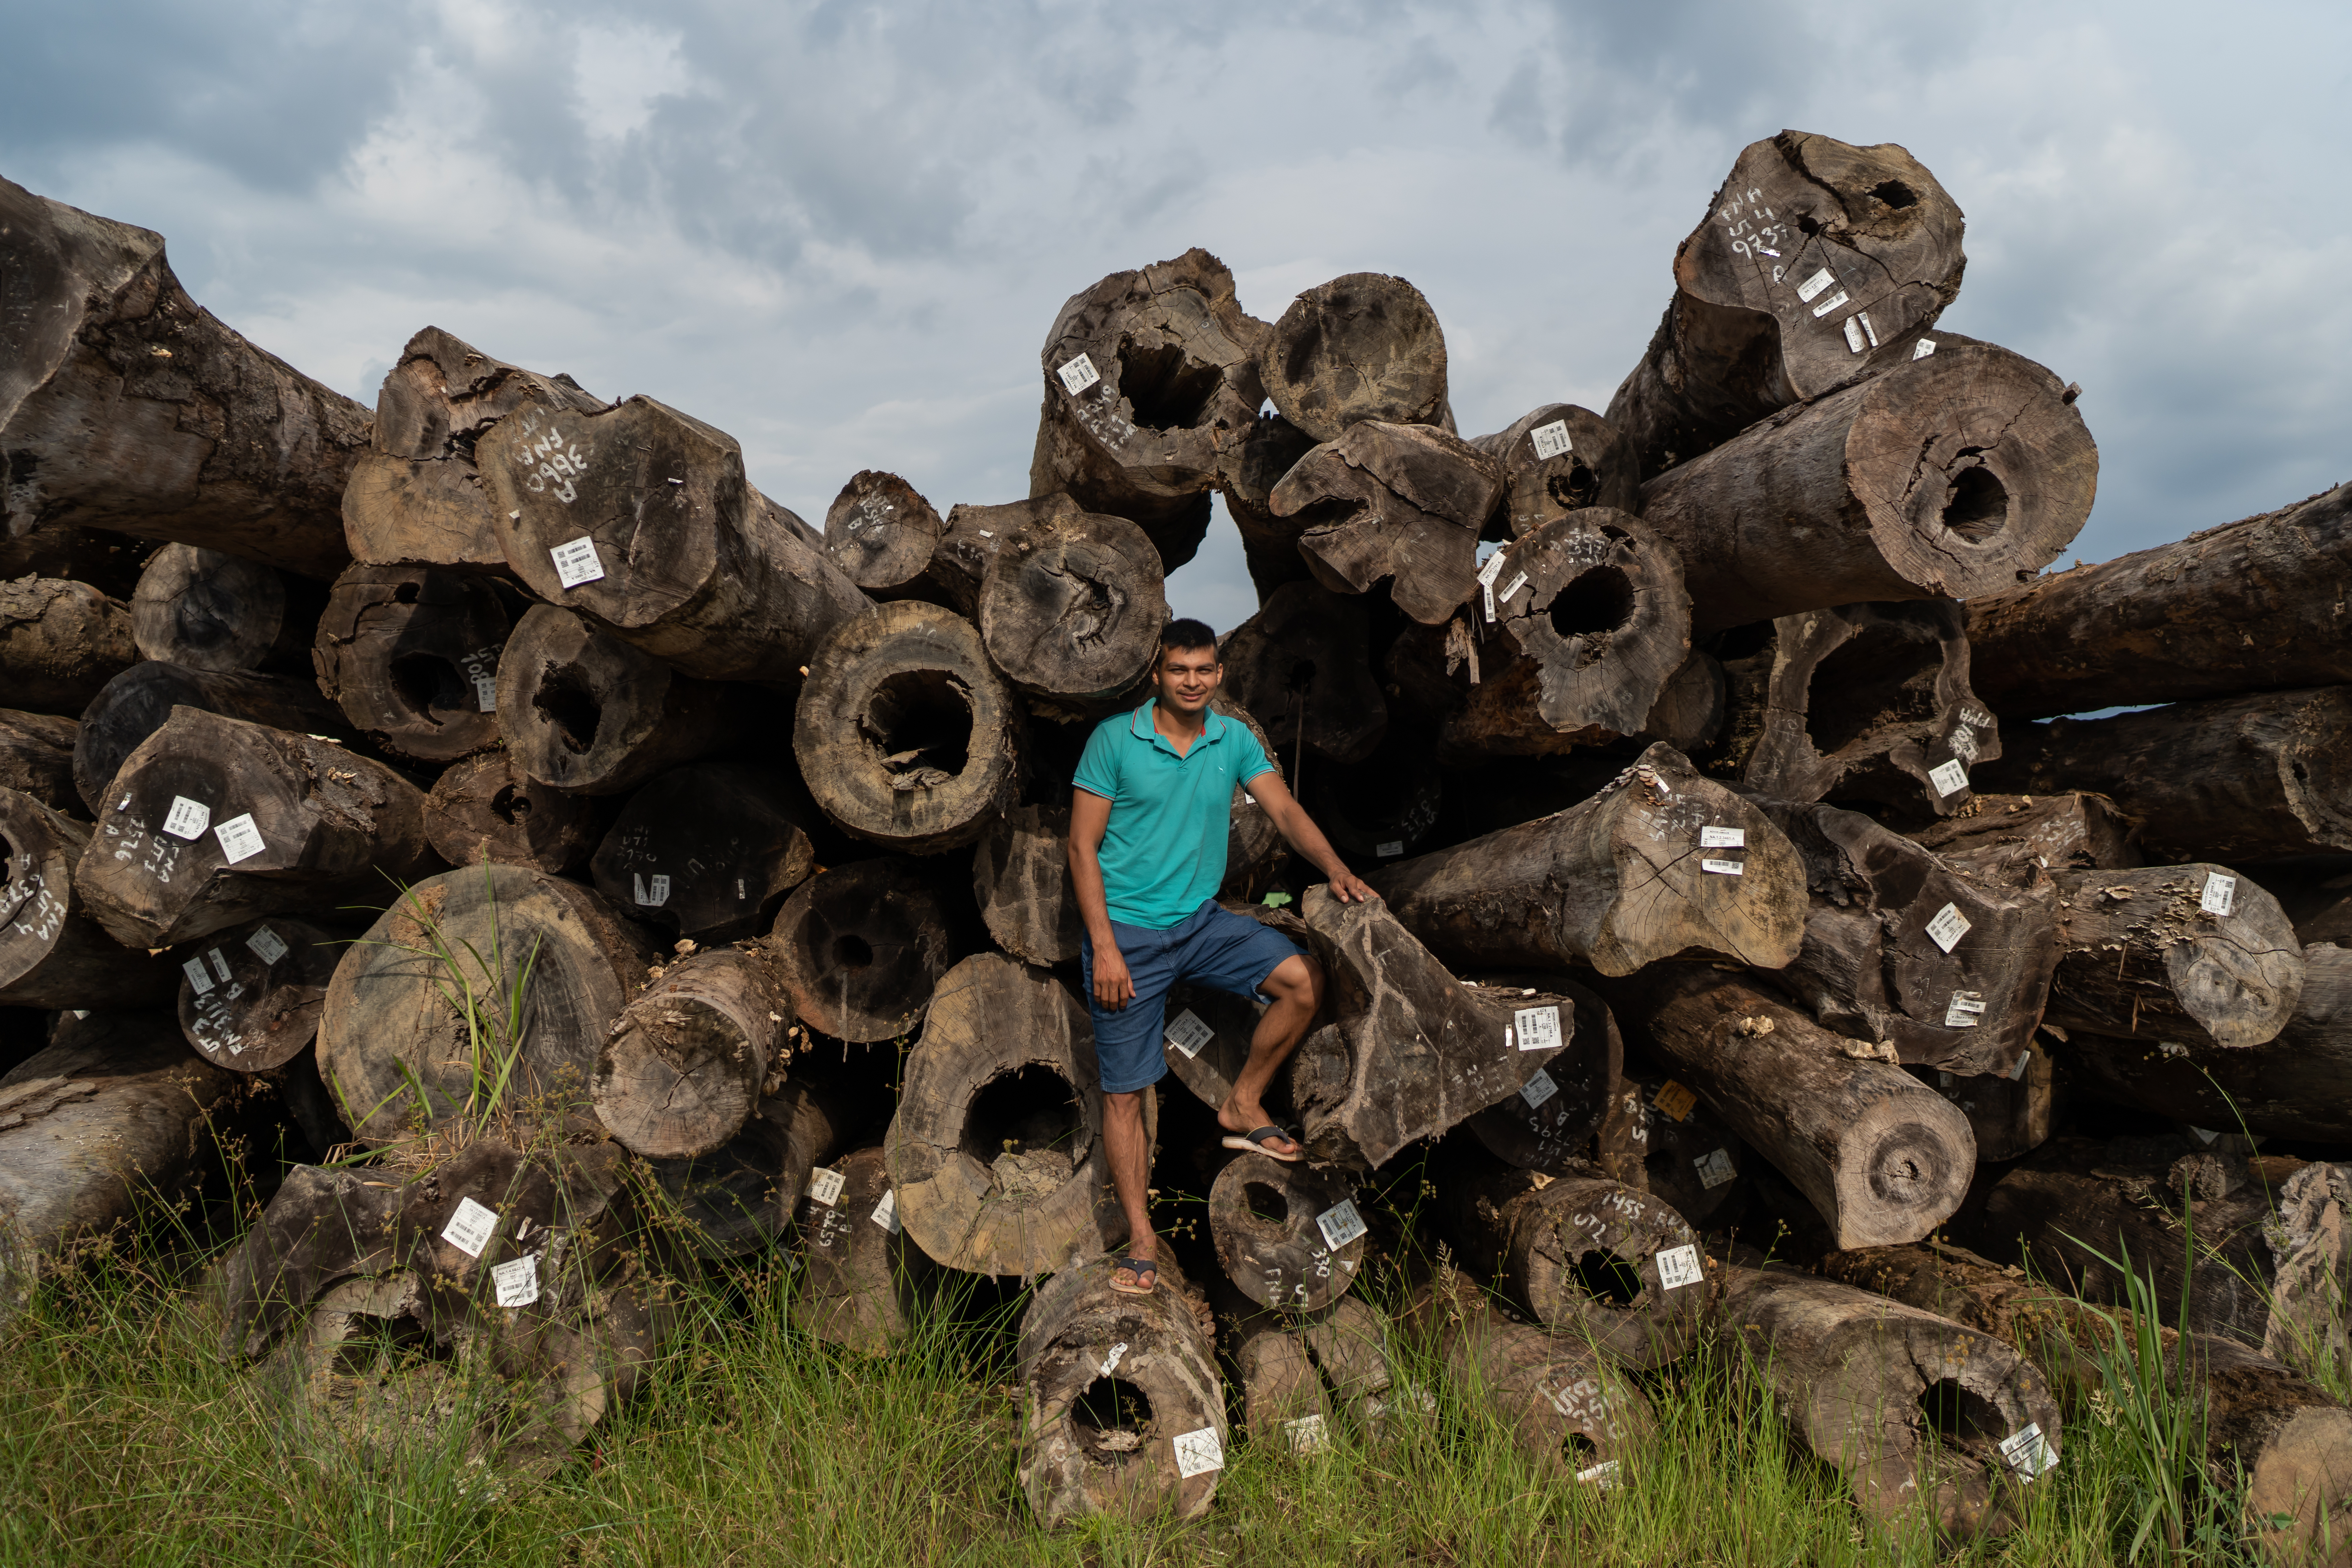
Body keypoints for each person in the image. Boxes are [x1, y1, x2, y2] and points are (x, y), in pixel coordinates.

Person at [1067, 617, 1378, 1296]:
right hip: (1129, 935)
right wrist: (1108, 949)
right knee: (1126, 1093)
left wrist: (1334, 868)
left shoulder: (1230, 738)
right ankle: (1143, 1238)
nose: (1191, 680)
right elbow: (1081, 848)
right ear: (1158, 673)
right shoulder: (1116, 740)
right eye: (1179, 670)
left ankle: (1242, 1102)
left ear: (1218, 675)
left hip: (1201, 922)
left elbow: (1287, 809)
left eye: (1204, 670)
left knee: (1302, 980)